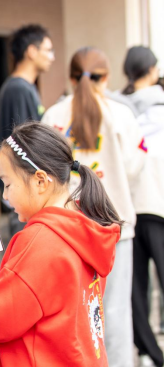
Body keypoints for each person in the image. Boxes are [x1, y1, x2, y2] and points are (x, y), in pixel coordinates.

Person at [0, 122, 122, 367]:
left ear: (40, 181)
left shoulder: (41, 242)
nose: (4, 196)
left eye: (7, 184)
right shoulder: (83, 232)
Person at [42, 47, 147, 367]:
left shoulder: (53, 117)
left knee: (71, 311)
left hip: (67, 229)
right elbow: (134, 167)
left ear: (71, 78)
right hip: (113, 229)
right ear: (107, 78)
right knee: (114, 311)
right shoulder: (122, 115)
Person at [122, 46, 164, 368]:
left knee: (135, 290)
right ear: (152, 70)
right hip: (159, 206)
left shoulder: (119, 109)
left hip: (130, 209)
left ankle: (150, 354)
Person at [0, 24, 55, 236]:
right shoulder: (18, 89)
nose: (52, 57)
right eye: (48, 50)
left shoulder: (24, 88)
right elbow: (22, 144)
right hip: (25, 194)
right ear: (31, 51)